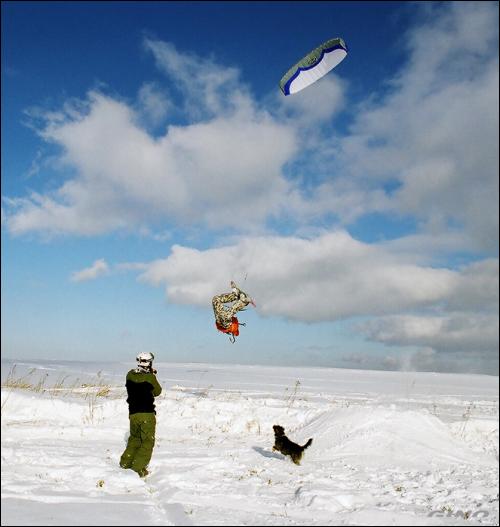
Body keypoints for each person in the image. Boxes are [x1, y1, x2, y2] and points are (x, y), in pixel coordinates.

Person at [119, 352, 162, 478]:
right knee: (147, 442)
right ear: (149, 362)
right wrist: (151, 375)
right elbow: (157, 391)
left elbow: (138, 380)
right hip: (146, 414)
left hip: (133, 414)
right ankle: (137, 468)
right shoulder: (150, 378)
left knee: (134, 439)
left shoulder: (129, 375)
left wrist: (149, 374)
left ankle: (125, 463)